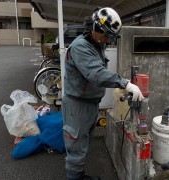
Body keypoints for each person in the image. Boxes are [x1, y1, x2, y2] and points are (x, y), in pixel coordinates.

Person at [62, 7, 144, 180]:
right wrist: (126, 84)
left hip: (89, 103)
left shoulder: (96, 44)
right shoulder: (80, 47)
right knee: (76, 146)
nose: (107, 40)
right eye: (106, 35)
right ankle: (74, 177)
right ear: (96, 29)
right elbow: (97, 74)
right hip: (78, 105)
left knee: (83, 144)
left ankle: (79, 175)